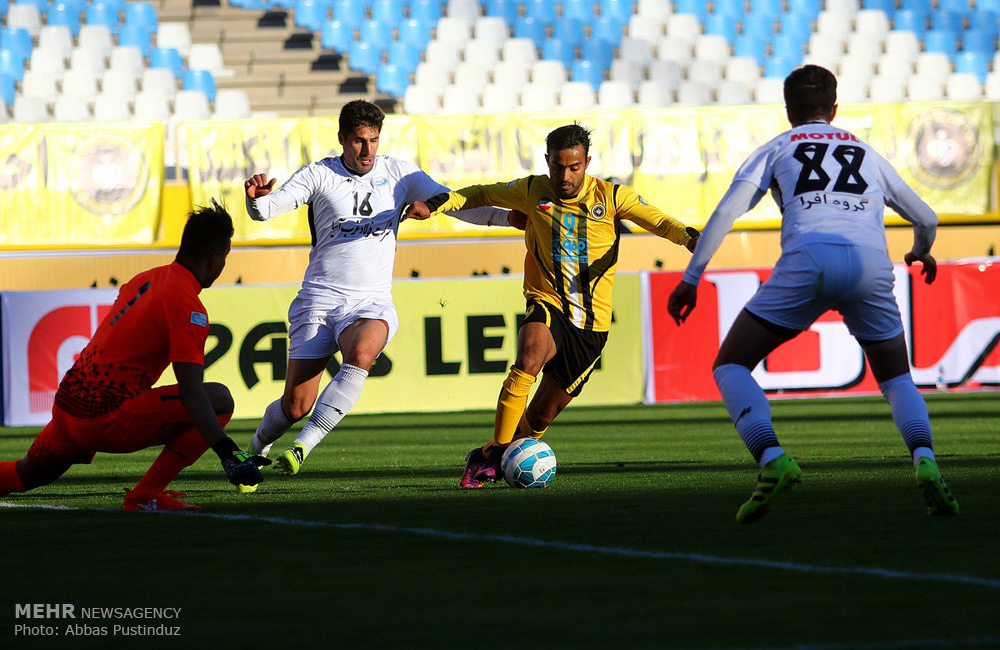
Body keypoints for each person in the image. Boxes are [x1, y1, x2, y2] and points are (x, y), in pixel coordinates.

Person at [667, 65, 959, 523]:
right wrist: (920, 252)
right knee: (897, 379)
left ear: (788, 112)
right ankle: (925, 460)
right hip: (869, 265)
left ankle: (772, 459)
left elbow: (725, 213)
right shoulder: (865, 151)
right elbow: (926, 218)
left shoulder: (776, 148)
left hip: (808, 260)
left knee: (730, 364)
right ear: (835, 108)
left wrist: (691, 277)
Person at [403, 123, 699, 488]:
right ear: (547, 162)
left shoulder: (611, 197)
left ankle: (484, 456)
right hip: (546, 302)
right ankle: (497, 453)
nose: (565, 175)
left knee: (542, 415)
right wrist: (435, 205)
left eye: (574, 167)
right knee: (528, 359)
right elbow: (480, 193)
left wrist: (688, 238)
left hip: (591, 328)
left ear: (587, 162)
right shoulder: (533, 190)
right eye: (558, 166)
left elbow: (658, 220)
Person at [243, 99, 513, 482]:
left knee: (364, 351)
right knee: (296, 404)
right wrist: (255, 201)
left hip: (369, 301)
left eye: (373, 139)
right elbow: (268, 209)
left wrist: (510, 219)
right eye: (358, 141)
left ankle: (302, 447)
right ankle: (256, 448)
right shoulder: (319, 175)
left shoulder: (400, 175)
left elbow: (454, 204)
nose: (367, 149)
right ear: (342, 139)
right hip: (319, 301)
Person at [0, 201, 269, 511]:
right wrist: (228, 453)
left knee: (26, 474)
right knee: (219, 398)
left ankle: (146, 493)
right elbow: (191, 390)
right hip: (106, 418)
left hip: (68, 406)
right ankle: (147, 493)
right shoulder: (188, 306)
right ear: (215, 259)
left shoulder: (145, 279)